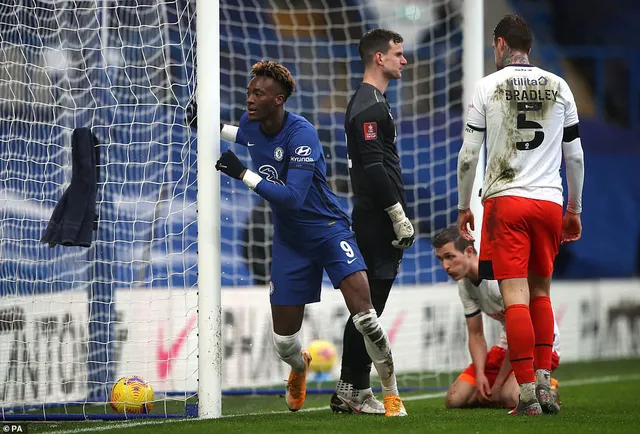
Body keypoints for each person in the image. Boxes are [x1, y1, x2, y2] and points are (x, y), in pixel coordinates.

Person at [214, 60, 407, 416]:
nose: (250, 99)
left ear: (279, 100)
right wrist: (207, 125)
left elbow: (293, 198)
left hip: (329, 231)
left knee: (366, 317)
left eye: (259, 94)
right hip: (290, 243)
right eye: (249, 92)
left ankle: (390, 393)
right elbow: (239, 134)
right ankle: (299, 368)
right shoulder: (251, 123)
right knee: (284, 343)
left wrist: (243, 173)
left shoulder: (301, 134)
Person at [456, 15, 584, 415]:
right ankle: (545, 384)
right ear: (528, 46)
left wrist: (463, 206)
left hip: (506, 201)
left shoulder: (487, 86)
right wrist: (574, 209)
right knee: (542, 293)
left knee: (515, 300)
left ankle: (526, 393)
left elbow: (468, 156)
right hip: (548, 201)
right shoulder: (559, 85)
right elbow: (575, 155)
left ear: (498, 44)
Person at [331, 28, 415, 415]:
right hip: (376, 218)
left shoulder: (374, 101)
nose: (404, 60)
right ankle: (352, 390)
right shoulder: (369, 105)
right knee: (367, 308)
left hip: (374, 215)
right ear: (378, 58)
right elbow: (374, 167)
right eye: (398, 53)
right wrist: (396, 214)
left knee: (368, 308)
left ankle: (354, 388)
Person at [432, 225, 561, 410]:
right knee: (454, 400)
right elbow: (476, 335)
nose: (445, 266)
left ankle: (548, 385)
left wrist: (498, 383)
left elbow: (520, 337)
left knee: (509, 396)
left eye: (450, 257)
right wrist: (480, 375)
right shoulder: (465, 286)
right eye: (440, 259)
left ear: (469, 252)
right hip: (508, 346)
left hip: (536, 346)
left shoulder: (497, 279)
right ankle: (517, 387)